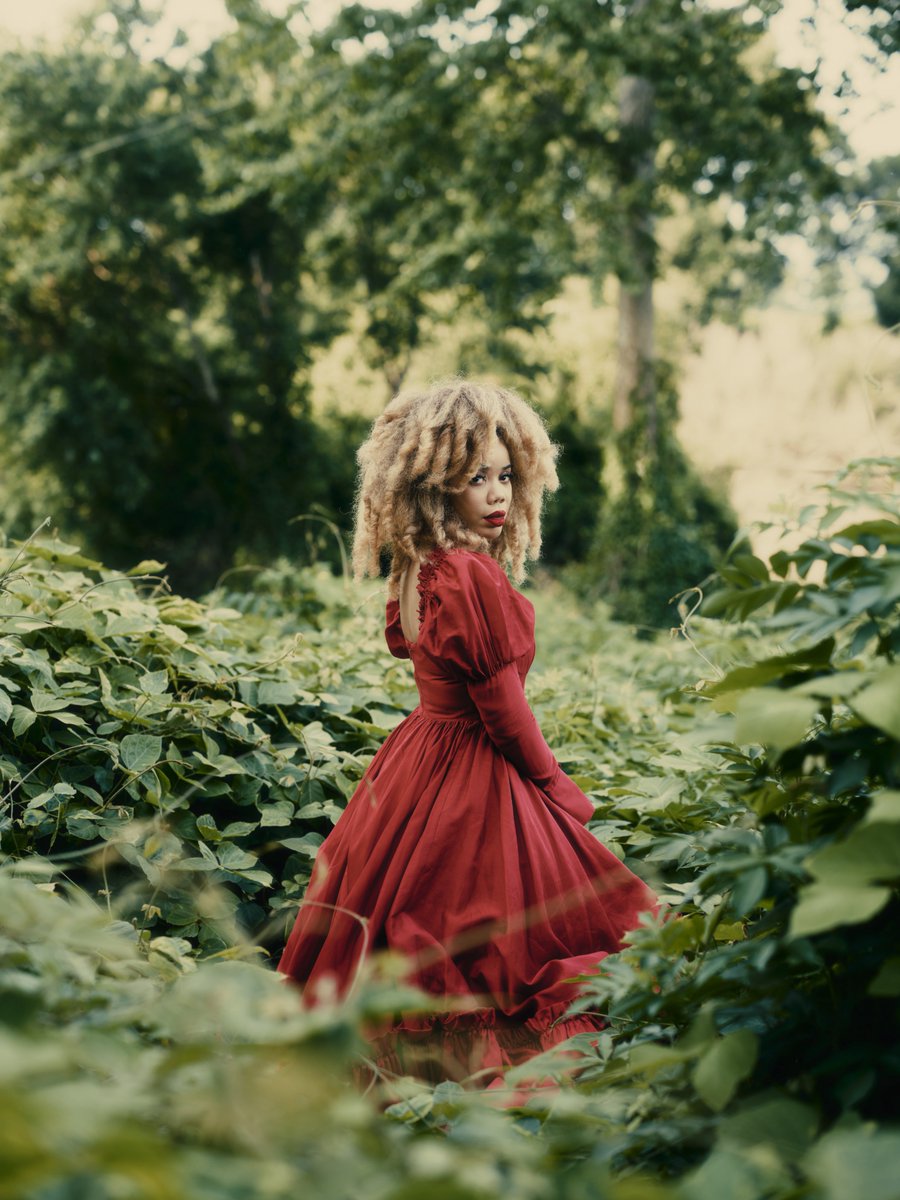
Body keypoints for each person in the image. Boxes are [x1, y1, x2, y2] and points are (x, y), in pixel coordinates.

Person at [278, 379, 656, 1089]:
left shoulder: (418, 568)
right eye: (474, 477)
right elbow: (503, 707)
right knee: (502, 929)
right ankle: (473, 1079)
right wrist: (552, 783)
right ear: (433, 485)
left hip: (419, 757)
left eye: (505, 475)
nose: (497, 493)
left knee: (407, 909)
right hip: (469, 767)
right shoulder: (469, 575)